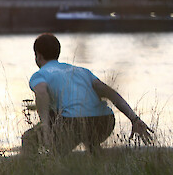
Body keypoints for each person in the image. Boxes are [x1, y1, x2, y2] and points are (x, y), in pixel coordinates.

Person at [21, 33, 153, 154]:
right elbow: (109, 92)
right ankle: (95, 154)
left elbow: (42, 92)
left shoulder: (40, 75)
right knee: (60, 116)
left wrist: (44, 126)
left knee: (29, 139)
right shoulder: (81, 71)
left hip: (74, 124)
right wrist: (134, 119)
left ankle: (45, 170)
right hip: (104, 121)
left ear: (37, 55)